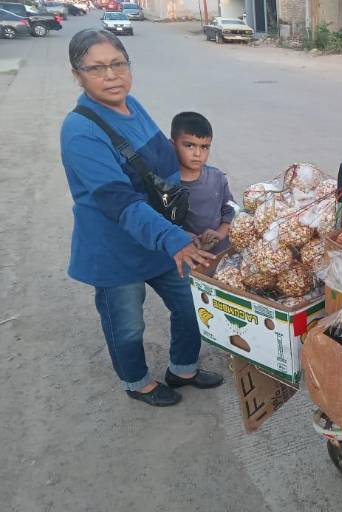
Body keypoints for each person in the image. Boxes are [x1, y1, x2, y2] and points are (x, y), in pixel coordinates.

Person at [60, 29, 223, 407]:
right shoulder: (80, 130)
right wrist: (173, 238)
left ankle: (182, 368)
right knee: (127, 324)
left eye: (118, 64)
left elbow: (163, 166)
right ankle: (137, 382)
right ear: (77, 74)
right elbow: (118, 201)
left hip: (161, 238)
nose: (111, 75)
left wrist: (207, 202)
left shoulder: (132, 106)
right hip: (116, 249)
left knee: (190, 304)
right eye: (97, 68)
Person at [170, 112, 235, 254]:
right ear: (173, 145)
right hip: (187, 257)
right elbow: (162, 223)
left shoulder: (217, 178)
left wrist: (220, 233)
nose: (198, 154)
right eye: (189, 146)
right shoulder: (167, 187)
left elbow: (231, 210)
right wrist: (184, 237)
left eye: (204, 147)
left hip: (221, 254)